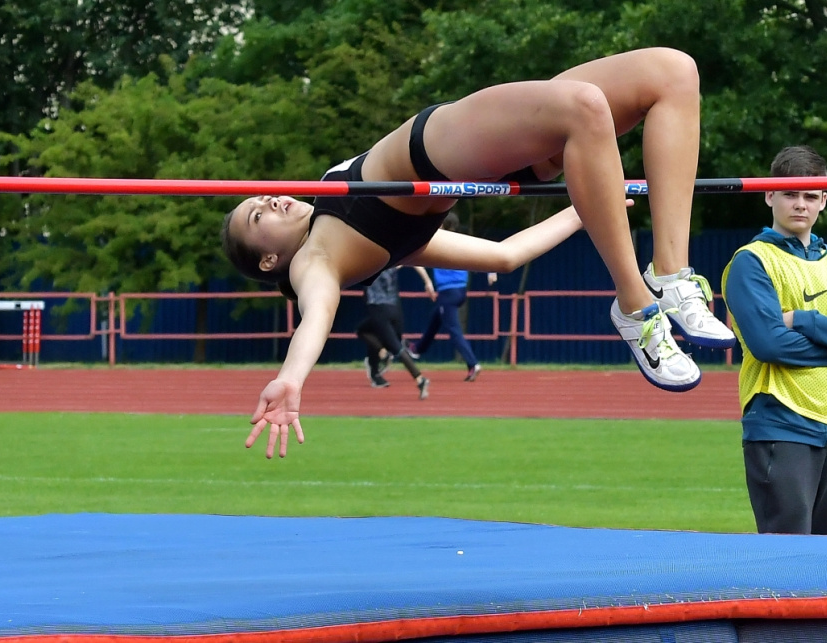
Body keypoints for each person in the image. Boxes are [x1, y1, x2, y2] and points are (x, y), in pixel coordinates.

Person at [222, 47, 734, 459]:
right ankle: (635, 304)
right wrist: (290, 379)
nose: (268, 201)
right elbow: (316, 314)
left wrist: (587, 207)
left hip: (496, 146)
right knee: (587, 105)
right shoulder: (315, 261)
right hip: (450, 146)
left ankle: (671, 273)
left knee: (673, 72)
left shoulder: (383, 241)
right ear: (269, 262)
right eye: (256, 217)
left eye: (260, 200)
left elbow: (505, 255)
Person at [721, 145, 827, 535]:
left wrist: (803, 319)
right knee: (789, 557)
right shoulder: (752, 261)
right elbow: (770, 345)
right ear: (769, 195)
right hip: (780, 425)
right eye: (790, 194)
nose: (801, 204)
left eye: (811, 196)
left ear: (824, 201)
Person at [407, 213, 485, 382]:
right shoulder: (461, 241)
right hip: (459, 291)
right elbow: (482, 254)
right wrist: (491, 271)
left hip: (449, 292)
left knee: (453, 329)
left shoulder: (438, 240)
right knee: (436, 319)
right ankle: (417, 349)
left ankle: (472, 363)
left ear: (442, 224)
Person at [357, 265, 433, 398]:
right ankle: (381, 357)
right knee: (363, 330)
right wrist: (428, 281)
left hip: (378, 310)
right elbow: (415, 263)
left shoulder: (368, 266)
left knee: (396, 347)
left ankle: (419, 378)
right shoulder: (392, 264)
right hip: (394, 309)